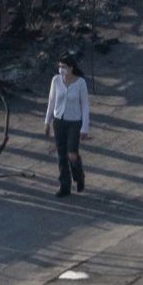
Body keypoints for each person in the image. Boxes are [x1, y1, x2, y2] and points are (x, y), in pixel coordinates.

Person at [45, 56, 91, 197]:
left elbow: (85, 106)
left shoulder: (80, 83)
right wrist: (47, 121)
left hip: (74, 122)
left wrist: (84, 128)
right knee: (61, 155)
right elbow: (51, 101)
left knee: (72, 154)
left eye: (64, 67)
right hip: (59, 121)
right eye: (60, 66)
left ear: (71, 68)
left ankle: (79, 176)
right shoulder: (56, 81)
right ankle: (64, 185)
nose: (61, 69)